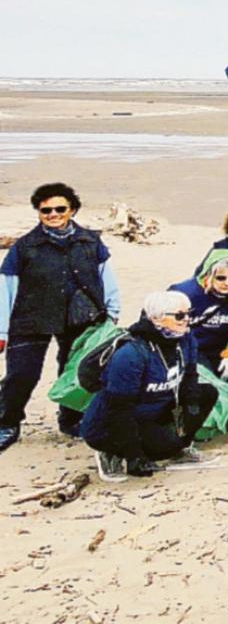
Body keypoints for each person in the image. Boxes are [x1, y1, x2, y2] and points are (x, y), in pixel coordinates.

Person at [0, 183, 122, 452]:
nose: (53, 214)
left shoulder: (91, 241)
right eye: (46, 210)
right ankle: (7, 423)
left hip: (81, 317)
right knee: (21, 375)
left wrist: (112, 312)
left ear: (72, 210)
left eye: (59, 209)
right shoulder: (24, 247)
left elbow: (106, 276)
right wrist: (2, 331)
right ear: (38, 213)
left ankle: (70, 419)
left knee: (76, 373)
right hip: (30, 319)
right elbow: (6, 287)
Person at [81, 291, 217, 479]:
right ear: (157, 319)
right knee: (160, 448)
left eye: (188, 313)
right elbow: (119, 408)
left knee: (207, 393)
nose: (186, 319)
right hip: (113, 422)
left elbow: (190, 376)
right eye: (179, 316)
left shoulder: (185, 339)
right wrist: (134, 456)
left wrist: (191, 408)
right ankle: (113, 452)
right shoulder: (132, 354)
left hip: (155, 408)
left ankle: (180, 448)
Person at [168, 249, 228, 374]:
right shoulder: (185, 292)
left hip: (219, 350)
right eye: (221, 278)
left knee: (225, 385)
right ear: (209, 275)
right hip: (186, 347)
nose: (227, 283)